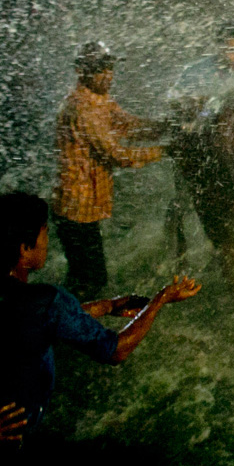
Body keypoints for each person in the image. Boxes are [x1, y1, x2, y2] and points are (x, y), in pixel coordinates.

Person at [0, 193, 199, 466]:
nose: (49, 239)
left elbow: (25, 321)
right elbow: (116, 350)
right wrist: (161, 300)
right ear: (25, 249)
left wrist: (107, 305)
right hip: (1, 458)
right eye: (44, 232)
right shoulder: (47, 300)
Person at [53, 41, 165, 298]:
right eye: (101, 70)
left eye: (110, 68)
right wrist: (165, 150)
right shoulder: (82, 109)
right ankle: (64, 328)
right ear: (82, 72)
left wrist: (166, 125)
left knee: (85, 278)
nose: (108, 76)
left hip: (82, 207)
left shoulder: (98, 99)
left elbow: (128, 125)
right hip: (75, 209)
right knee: (90, 281)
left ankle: (64, 323)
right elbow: (118, 155)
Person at [165, 21, 234, 258]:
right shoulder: (195, 72)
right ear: (218, 48)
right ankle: (181, 238)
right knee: (191, 195)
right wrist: (192, 109)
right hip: (206, 146)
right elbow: (174, 100)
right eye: (232, 50)